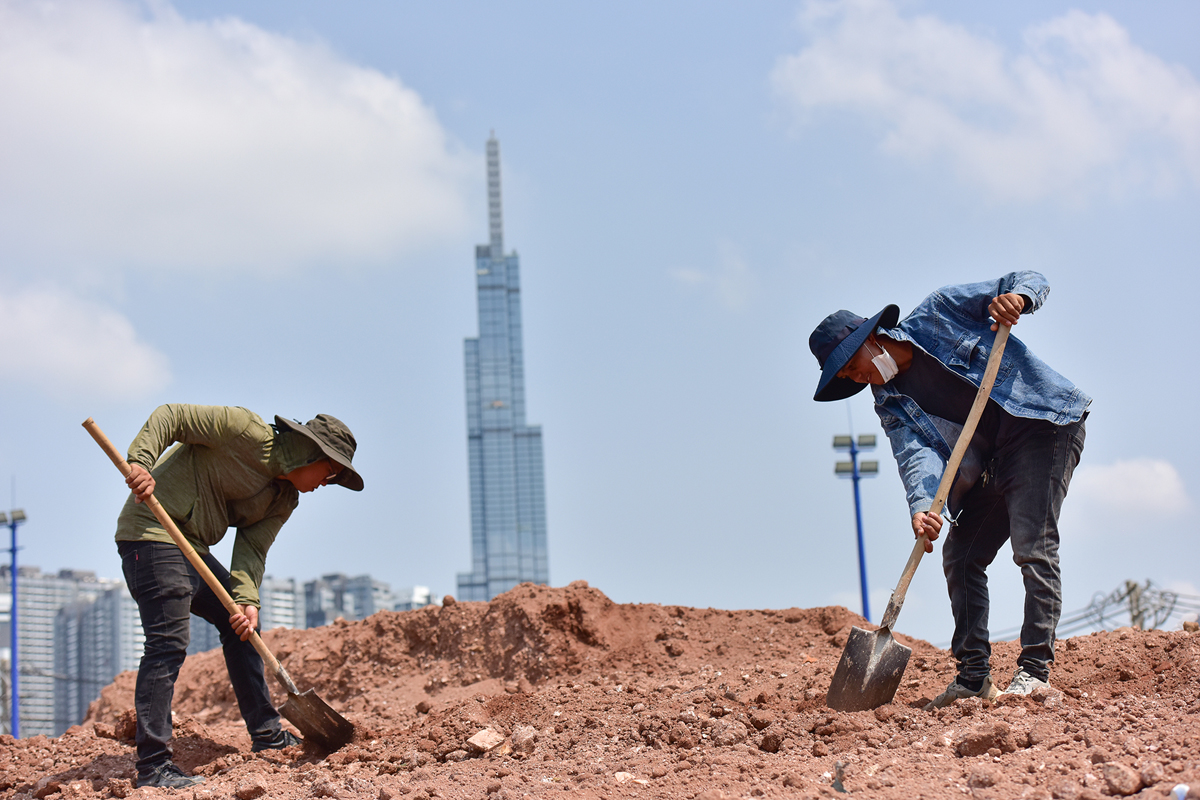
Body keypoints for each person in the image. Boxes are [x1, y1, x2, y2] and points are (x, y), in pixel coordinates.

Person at [808, 272, 1089, 711]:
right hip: (994, 459)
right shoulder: (890, 402)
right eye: (845, 375)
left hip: (1042, 428)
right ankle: (974, 677)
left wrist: (1018, 299)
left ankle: (1034, 671)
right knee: (960, 555)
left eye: (850, 364)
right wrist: (922, 507)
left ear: (870, 338)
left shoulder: (940, 311)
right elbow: (914, 455)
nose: (855, 377)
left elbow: (1027, 278)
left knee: (1032, 545)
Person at [115, 405, 363, 788]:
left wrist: (247, 600)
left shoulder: (284, 500)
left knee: (243, 627)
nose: (325, 484)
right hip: (151, 534)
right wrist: (141, 463)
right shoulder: (242, 430)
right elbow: (171, 417)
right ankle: (153, 768)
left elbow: (251, 551)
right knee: (167, 644)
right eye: (330, 474)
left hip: (192, 548)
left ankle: (267, 736)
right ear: (313, 454)